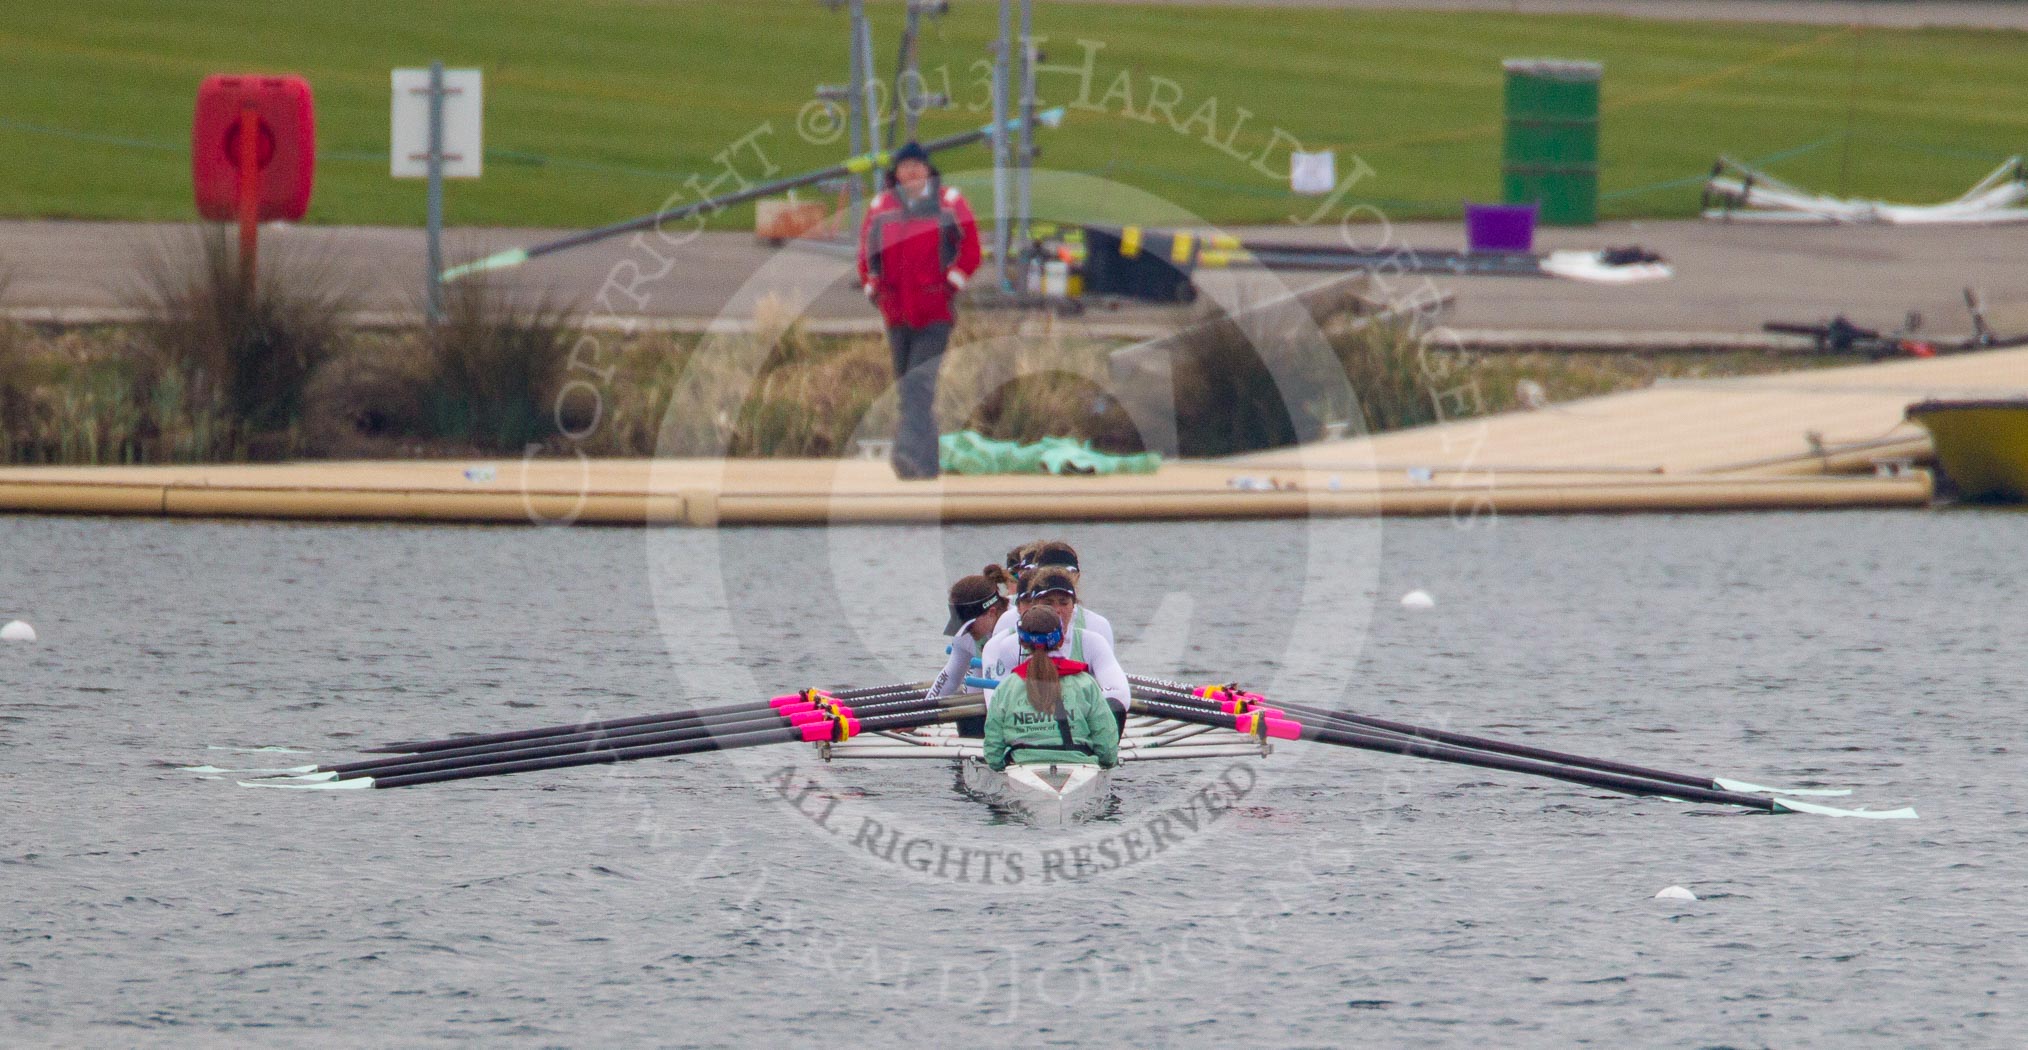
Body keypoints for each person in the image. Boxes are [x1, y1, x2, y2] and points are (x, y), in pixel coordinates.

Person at [856, 140, 982, 480]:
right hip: (896, 313)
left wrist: (950, 284)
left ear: (927, 169)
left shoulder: (948, 204)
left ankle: (906, 455)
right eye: (905, 167)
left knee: (918, 385)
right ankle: (925, 465)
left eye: (916, 166)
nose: (911, 172)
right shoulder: (882, 207)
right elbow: (867, 254)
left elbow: (970, 249)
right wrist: (873, 287)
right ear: (896, 173)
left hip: (934, 312)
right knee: (907, 386)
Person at [979, 567, 1130, 729]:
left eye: (1064, 603)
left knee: (1115, 710)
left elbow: (1119, 694)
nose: (1057, 610)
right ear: (1035, 606)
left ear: (1074, 607)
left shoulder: (1092, 642)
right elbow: (996, 705)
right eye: (1048, 602)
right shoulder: (1007, 646)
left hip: (1079, 730)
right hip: (1028, 732)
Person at [984, 608, 1120, 772]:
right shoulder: (1086, 683)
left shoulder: (1007, 687)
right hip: (1081, 768)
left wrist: (999, 766)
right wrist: (1106, 764)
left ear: (1022, 642)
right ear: (1061, 639)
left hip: (1022, 769)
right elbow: (1107, 744)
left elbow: (993, 750)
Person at [988, 540, 1114, 647]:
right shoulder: (1008, 622)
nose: (1058, 576)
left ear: (1077, 576)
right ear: (1036, 575)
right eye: (1049, 571)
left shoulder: (1097, 625)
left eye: (1066, 571)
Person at [928, 564, 1015, 701]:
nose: (966, 633)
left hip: (1017, 694)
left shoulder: (1016, 623)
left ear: (991, 612)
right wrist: (927, 708)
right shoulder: (964, 636)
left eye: (969, 627)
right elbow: (951, 678)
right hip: (985, 686)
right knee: (974, 682)